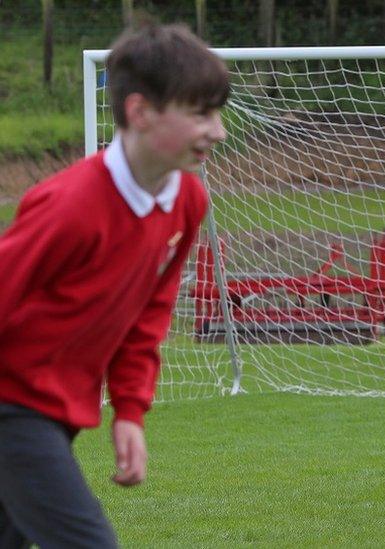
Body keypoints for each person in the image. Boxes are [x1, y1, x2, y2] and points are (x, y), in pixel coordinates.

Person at [0, 22, 228, 547]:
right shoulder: (71, 207)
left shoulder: (187, 203)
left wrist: (129, 410)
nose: (217, 131)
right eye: (200, 112)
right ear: (140, 112)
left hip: (57, 415)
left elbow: (148, 314)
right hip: (12, 407)